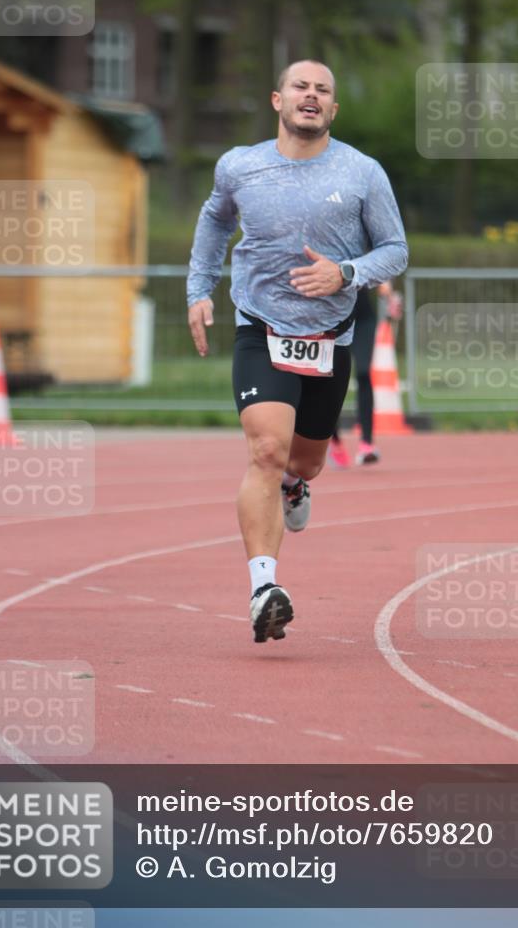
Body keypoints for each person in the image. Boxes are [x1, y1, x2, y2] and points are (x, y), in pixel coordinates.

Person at [187, 60, 408, 643]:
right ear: (277, 100)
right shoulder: (240, 165)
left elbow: (396, 249)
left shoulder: (363, 172)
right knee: (266, 449)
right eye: (300, 87)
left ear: (333, 109)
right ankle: (265, 587)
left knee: (303, 461)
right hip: (260, 327)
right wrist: (198, 291)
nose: (310, 96)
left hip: (329, 337)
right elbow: (214, 223)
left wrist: (347, 273)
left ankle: (296, 485)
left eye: (323, 90)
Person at [328, 282, 401, 468]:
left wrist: (389, 295)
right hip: (333, 319)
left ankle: (367, 444)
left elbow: (380, 269)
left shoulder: (363, 250)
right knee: (331, 381)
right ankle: (334, 441)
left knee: (363, 372)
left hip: (363, 319)